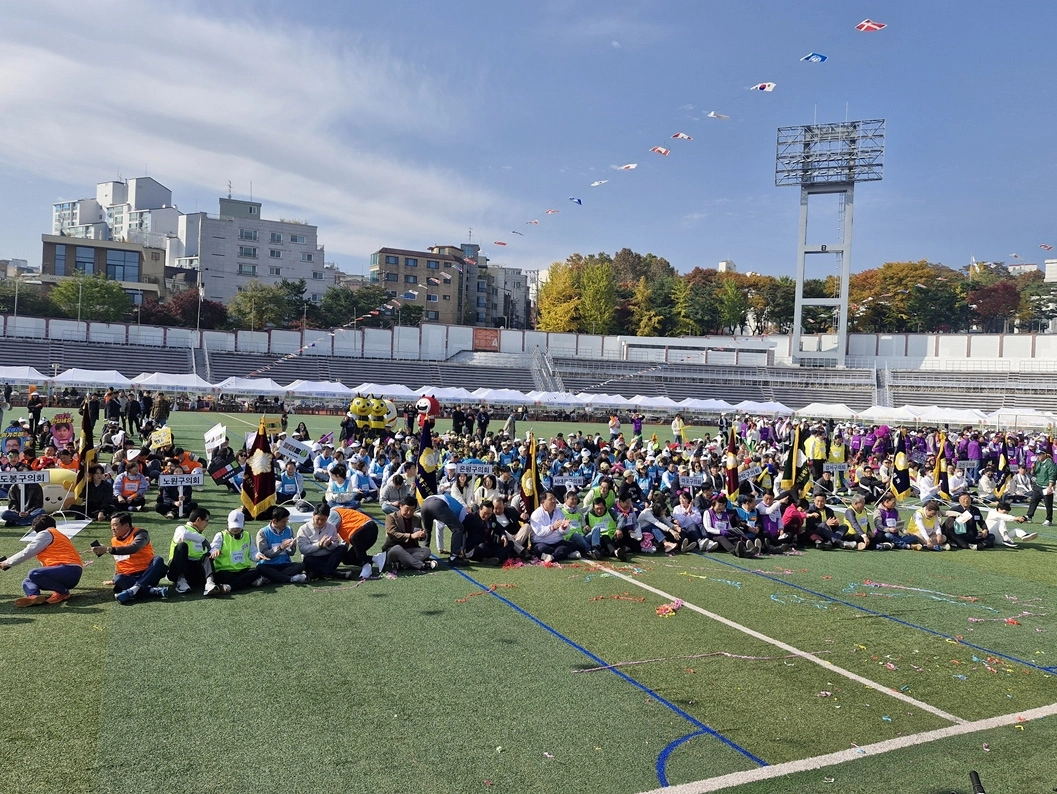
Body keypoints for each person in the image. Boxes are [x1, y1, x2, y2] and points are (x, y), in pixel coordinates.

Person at [0, 514, 83, 606]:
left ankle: (63, 592)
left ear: (37, 530)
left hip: (67, 570)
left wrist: (7, 563)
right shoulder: (60, 535)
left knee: (34, 573)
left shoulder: (46, 533)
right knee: (27, 581)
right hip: (71, 572)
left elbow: (28, 552)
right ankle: (34, 597)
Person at [91, 512, 170, 603]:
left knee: (158, 560)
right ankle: (150, 590)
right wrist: (114, 579)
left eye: (115, 525)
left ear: (126, 525)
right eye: (111, 525)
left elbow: (134, 548)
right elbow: (119, 560)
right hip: (129, 576)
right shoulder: (114, 540)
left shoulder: (141, 534)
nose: (112, 528)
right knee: (118, 579)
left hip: (147, 573)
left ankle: (135, 589)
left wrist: (108, 549)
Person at [202, 509, 265, 596]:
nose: (235, 529)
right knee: (227, 577)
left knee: (256, 571)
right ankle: (245, 582)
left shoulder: (247, 535)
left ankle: (229, 587)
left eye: (238, 527)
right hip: (225, 570)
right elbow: (213, 548)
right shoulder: (221, 535)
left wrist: (258, 555)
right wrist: (215, 551)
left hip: (242, 570)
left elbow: (252, 552)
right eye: (233, 527)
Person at [253, 506, 308, 585]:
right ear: (274, 521)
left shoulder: (289, 530)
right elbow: (265, 554)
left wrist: (291, 547)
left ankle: (270, 578)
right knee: (260, 568)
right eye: (283, 521)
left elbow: (291, 553)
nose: (285, 524)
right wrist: (281, 547)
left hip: (284, 564)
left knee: (301, 565)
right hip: (268, 565)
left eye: (287, 521)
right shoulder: (262, 532)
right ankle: (290, 579)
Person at [381, 496, 437, 572]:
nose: (409, 512)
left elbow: (418, 536)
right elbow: (392, 534)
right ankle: (421, 565)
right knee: (397, 549)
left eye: (412, 510)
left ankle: (402, 564)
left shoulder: (417, 518)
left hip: (410, 549)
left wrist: (421, 536)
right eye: (407, 509)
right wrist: (411, 536)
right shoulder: (391, 517)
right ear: (400, 506)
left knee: (427, 551)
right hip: (393, 550)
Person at [165, 507, 212, 594]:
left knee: (207, 555)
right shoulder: (182, 528)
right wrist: (202, 539)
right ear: (198, 520)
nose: (207, 524)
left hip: (193, 570)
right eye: (206, 520)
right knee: (182, 546)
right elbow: (182, 535)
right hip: (176, 569)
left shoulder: (199, 533)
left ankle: (210, 582)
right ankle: (181, 580)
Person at [420, 493, 470, 567]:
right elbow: (461, 530)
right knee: (458, 528)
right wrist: (461, 549)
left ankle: (422, 555)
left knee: (427, 530)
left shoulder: (451, 504)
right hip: (437, 504)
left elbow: (440, 526)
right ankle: (454, 557)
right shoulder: (463, 511)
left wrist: (440, 547)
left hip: (425, 504)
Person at [529, 490, 579, 563]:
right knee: (540, 549)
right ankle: (562, 554)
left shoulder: (559, 512)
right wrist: (552, 527)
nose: (553, 501)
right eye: (550, 499)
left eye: (554, 499)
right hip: (542, 542)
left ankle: (552, 557)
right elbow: (539, 532)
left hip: (556, 541)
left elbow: (564, 532)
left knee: (571, 545)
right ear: (543, 501)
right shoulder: (536, 514)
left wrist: (563, 528)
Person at [1024, 449, 1057, 526]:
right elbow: (1033, 473)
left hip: (1046, 487)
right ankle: (1029, 516)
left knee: (1048, 504)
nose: (1038, 456)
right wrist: (1032, 468)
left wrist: (1050, 487)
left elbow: (1052, 476)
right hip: (1038, 485)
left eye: (1039, 455)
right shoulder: (1038, 462)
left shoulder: (1050, 464)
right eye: (1037, 455)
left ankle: (1049, 519)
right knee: (1033, 501)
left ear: (1044, 454)